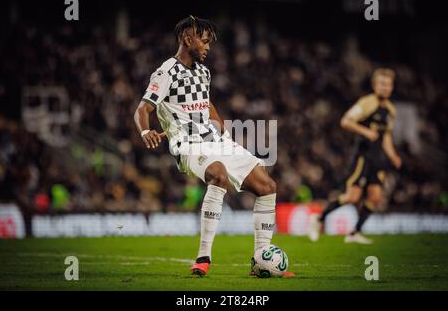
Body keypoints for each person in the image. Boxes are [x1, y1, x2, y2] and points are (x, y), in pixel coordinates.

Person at [134, 16, 292, 276]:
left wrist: (222, 130)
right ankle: (203, 256)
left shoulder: (203, 72)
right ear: (188, 39)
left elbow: (207, 106)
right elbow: (143, 109)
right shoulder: (165, 72)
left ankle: (261, 257)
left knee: (267, 186)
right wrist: (145, 130)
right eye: (205, 41)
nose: (208, 47)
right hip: (187, 144)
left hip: (215, 141)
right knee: (217, 175)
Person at [308, 68, 402, 244]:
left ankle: (354, 233)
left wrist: (393, 155)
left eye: (388, 84)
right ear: (375, 85)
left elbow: (386, 135)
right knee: (352, 197)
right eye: (382, 84)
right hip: (362, 155)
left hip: (378, 157)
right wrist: (366, 132)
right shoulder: (367, 103)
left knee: (375, 197)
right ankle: (319, 219)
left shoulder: (391, 110)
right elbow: (346, 121)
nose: (385, 87)